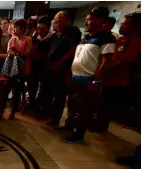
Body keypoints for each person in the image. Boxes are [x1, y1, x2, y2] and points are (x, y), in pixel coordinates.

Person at [65, 6, 116, 143]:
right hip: (76, 77)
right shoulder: (86, 38)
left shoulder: (106, 38)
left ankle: (78, 134)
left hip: (88, 79)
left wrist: (95, 81)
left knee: (84, 110)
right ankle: (69, 126)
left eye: (89, 20)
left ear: (101, 20)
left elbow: (106, 62)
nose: (86, 23)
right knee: (73, 105)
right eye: (86, 20)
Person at [96, 13, 141, 132]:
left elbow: (124, 60)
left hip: (121, 81)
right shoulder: (119, 40)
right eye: (121, 23)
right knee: (103, 103)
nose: (121, 26)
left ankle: (103, 124)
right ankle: (100, 122)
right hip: (108, 79)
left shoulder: (137, 42)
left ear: (135, 26)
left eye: (125, 24)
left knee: (110, 105)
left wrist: (104, 69)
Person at [43, 11, 82, 127]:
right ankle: (48, 115)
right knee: (49, 93)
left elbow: (74, 49)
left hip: (64, 69)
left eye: (60, 21)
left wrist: (61, 61)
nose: (57, 24)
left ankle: (55, 119)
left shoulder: (73, 32)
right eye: (55, 22)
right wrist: (51, 32)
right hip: (51, 68)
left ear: (67, 21)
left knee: (59, 95)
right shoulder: (55, 34)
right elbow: (43, 44)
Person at [2, 19, 33, 120]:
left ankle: (13, 112)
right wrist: (11, 52)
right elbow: (8, 53)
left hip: (21, 70)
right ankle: (1, 109)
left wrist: (17, 52)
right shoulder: (12, 39)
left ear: (22, 28)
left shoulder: (28, 40)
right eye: (13, 27)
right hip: (10, 69)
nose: (13, 29)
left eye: (16, 27)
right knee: (5, 90)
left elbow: (27, 55)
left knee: (17, 92)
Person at [28, 16, 52, 113]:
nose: (39, 30)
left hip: (45, 67)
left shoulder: (51, 38)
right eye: (38, 28)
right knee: (32, 86)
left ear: (48, 28)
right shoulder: (34, 37)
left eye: (41, 28)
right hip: (33, 66)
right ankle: (32, 103)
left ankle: (41, 108)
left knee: (43, 88)